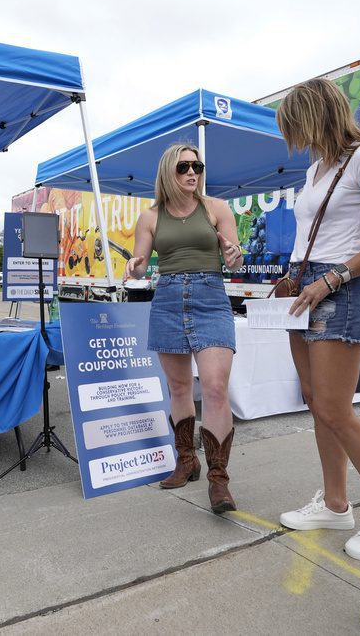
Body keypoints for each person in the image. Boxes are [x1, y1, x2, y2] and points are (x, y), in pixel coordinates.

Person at [274, 79, 360, 562]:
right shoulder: (317, 167)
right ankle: (335, 503)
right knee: (318, 404)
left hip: (340, 289)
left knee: (335, 409)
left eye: (296, 125)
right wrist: (292, 277)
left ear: (315, 115)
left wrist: (329, 279)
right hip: (302, 286)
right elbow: (312, 233)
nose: (294, 137)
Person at [124, 143, 244, 514]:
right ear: (168, 173)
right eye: (184, 167)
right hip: (168, 297)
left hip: (210, 297)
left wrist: (234, 256)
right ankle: (186, 459)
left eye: (197, 166)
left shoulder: (217, 208)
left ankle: (218, 479)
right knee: (178, 387)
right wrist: (135, 265)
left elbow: (235, 261)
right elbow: (141, 266)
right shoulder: (150, 216)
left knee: (213, 386)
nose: (193, 172)